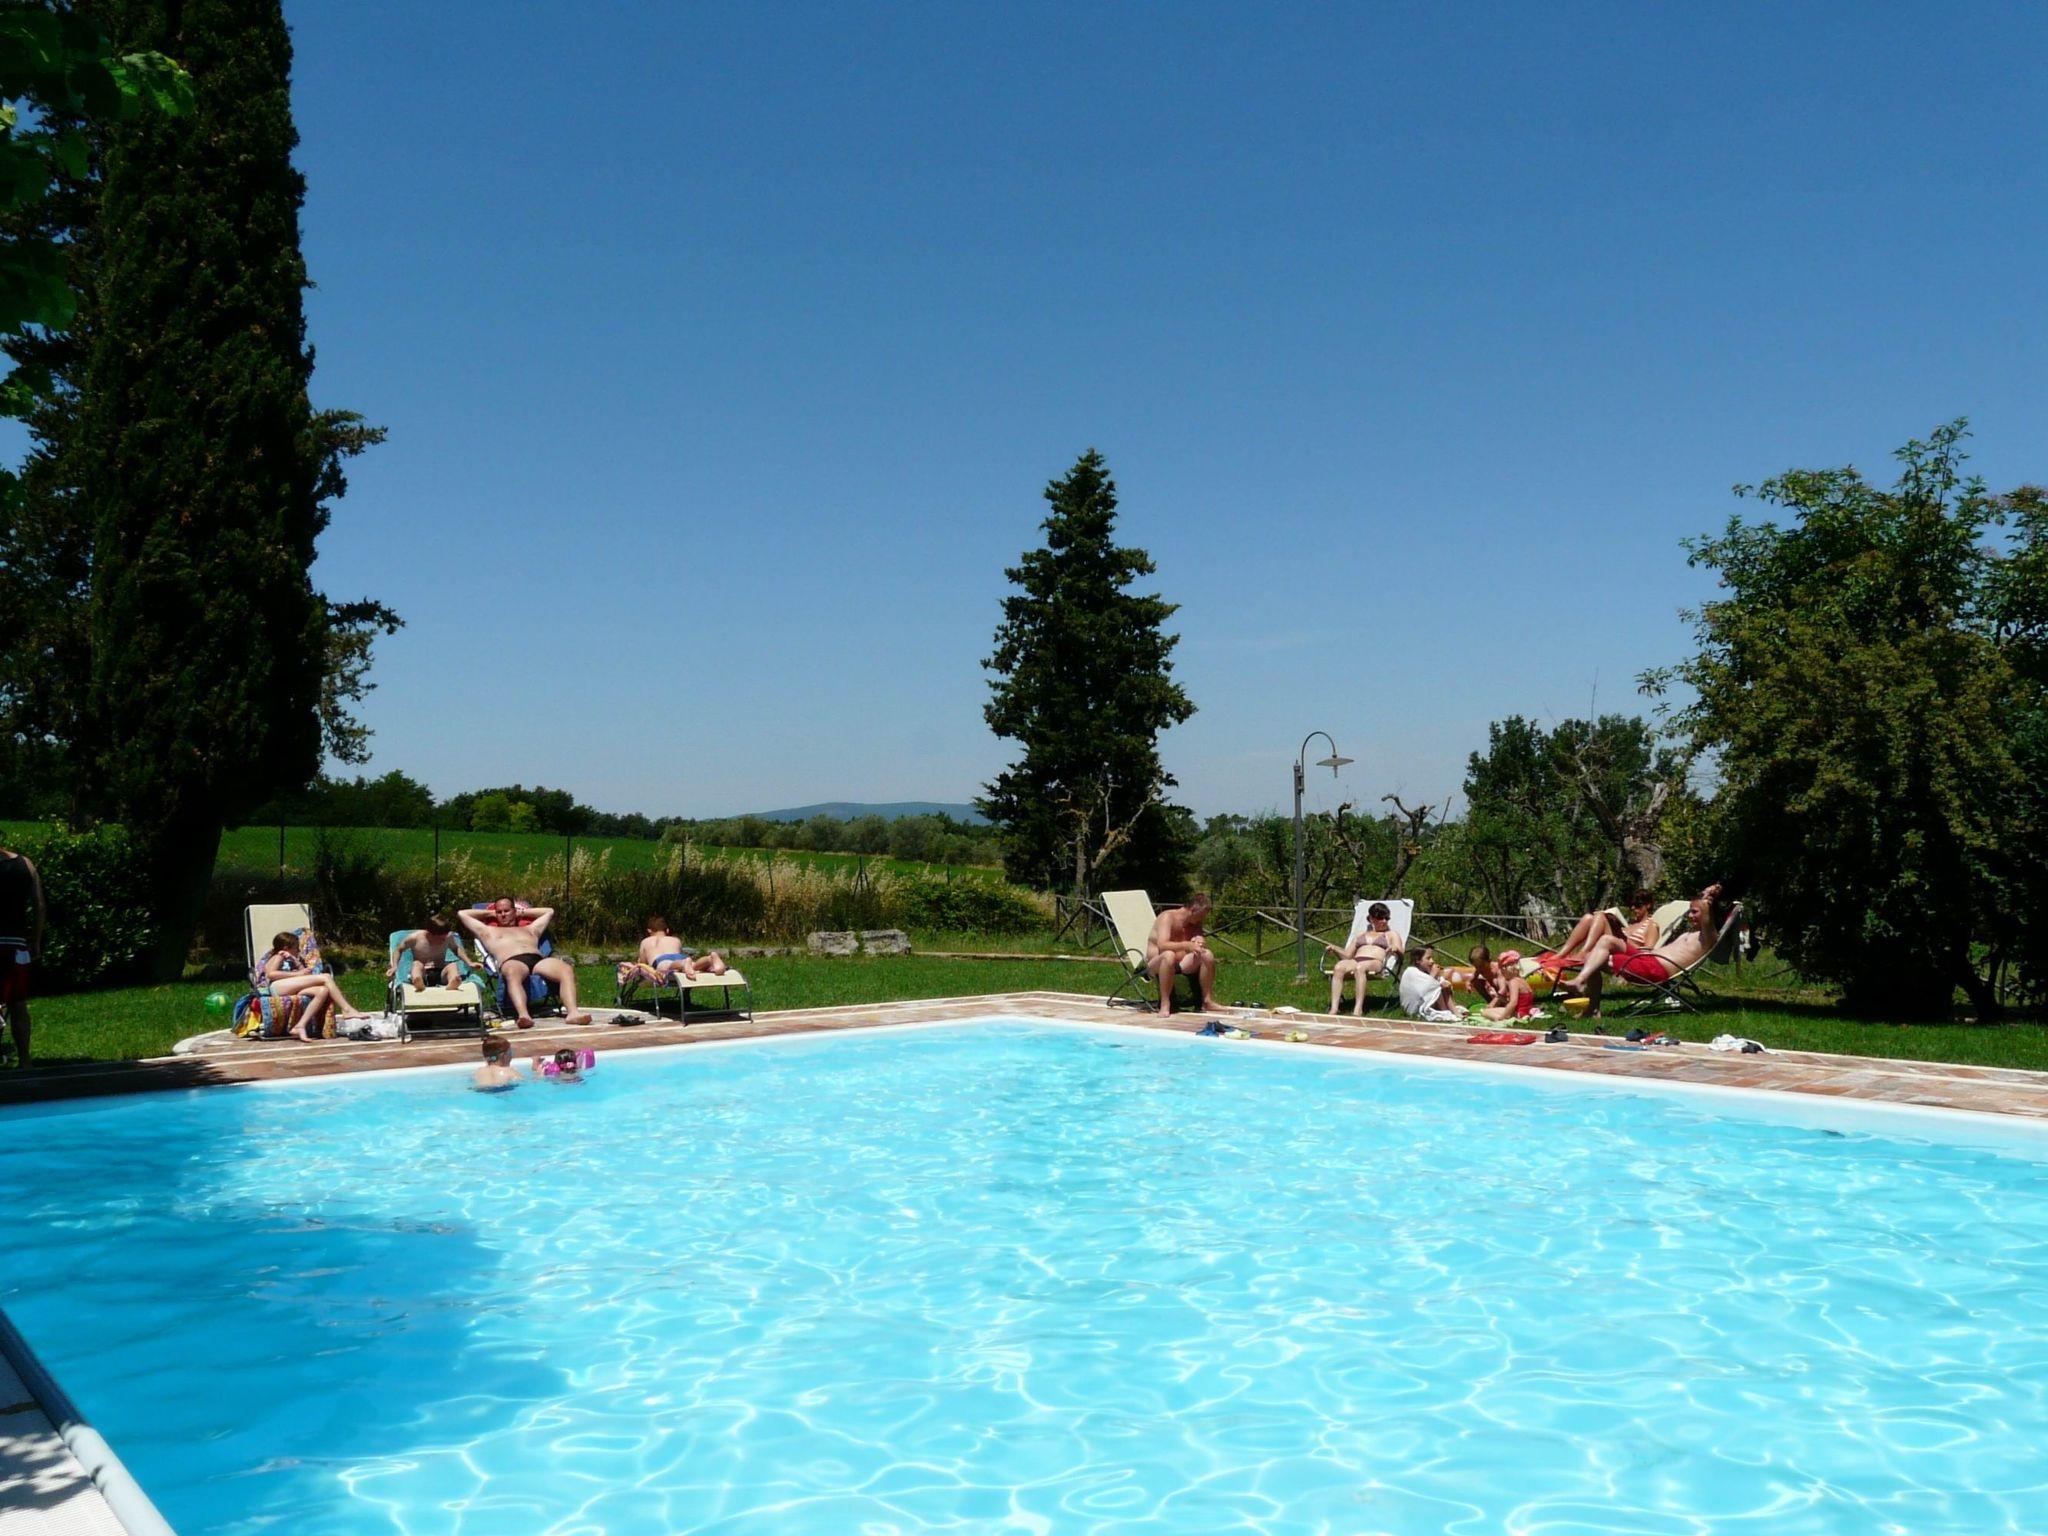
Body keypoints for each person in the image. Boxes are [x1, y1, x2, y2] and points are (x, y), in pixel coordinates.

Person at [1556, 884, 1733, 1013]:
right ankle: (1581, 983)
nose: (1690, 916)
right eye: (1690, 911)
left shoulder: (1709, 937)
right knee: (1606, 940)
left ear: (1707, 913)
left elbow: (1706, 910)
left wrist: (1707, 894)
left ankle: (1591, 1006)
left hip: (1654, 969)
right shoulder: (1691, 933)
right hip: (1646, 958)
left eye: (1695, 912)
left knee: (1593, 959)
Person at [457, 898, 592, 1028]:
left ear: (514, 911)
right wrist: (490, 913)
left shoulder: (531, 929)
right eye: (499, 912)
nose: (503, 914)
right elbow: (462, 914)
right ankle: (524, 1016)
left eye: (506, 911)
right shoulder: (488, 931)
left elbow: (549, 911)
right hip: (512, 961)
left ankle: (573, 1013)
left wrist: (522, 912)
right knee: (512, 972)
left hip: (538, 961)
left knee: (565, 969)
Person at [257, 931, 372, 1040]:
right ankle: (347, 1009)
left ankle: (300, 1026)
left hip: (289, 987)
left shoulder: (289, 959)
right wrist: (297, 974)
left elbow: (304, 973)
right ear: (286, 948)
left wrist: (294, 960)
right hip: (277, 987)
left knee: (322, 991)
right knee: (326, 977)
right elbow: (271, 974)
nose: (298, 950)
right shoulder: (278, 956)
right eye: (296, 948)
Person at [0, 842, 44, 1067]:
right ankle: (25, 1059)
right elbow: (39, 905)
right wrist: (35, 939)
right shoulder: (25, 864)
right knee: (18, 1003)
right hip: (17, 944)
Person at [1146, 893, 1218, 1018]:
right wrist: (1187, 945)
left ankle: (1207, 1001)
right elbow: (1162, 945)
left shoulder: (1194, 922)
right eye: (1201, 915)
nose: (1202, 919)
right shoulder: (1167, 917)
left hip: (1180, 964)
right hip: (1157, 964)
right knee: (1168, 955)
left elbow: (1197, 938)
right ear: (1193, 910)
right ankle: (1165, 1003)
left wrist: (1199, 941)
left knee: (1207, 955)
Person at [1324, 902, 1403, 1017]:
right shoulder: (1360, 935)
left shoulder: (1391, 934)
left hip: (1375, 962)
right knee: (1339, 967)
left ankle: (1358, 1009)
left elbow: (1401, 952)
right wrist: (1335, 949)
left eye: (1387, 918)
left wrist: (1395, 948)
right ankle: (1334, 1008)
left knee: (1360, 967)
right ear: (1371, 919)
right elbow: (1347, 955)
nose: (1384, 921)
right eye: (1380, 918)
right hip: (1356, 960)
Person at [1546, 891, 1661, 968]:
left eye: (1637, 905)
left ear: (1648, 905)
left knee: (1600, 916)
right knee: (1588, 918)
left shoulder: (1651, 925)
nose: (1633, 908)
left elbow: (1647, 954)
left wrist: (1625, 939)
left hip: (1630, 956)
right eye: (1632, 905)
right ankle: (1561, 954)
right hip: (1612, 946)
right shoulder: (1630, 923)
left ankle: (1583, 953)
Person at [616, 914, 729, 991]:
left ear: (649, 931)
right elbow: (677, 954)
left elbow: (643, 963)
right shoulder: (675, 940)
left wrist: (638, 964)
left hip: (662, 960)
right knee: (694, 966)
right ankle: (710, 958)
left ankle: (684, 964)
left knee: (670, 966)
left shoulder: (646, 941)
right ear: (667, 930)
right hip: (680, 957)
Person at [387, 916, 470, 990]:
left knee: (452, 965)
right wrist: (394, 966)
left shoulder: (448, 937)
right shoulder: (415, 938)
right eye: (441, 938)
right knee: (416, 964)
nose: (444, 940)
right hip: (423, 972)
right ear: (429, 934)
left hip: (441, 972)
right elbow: (398, 950)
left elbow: (456, 949)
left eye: (445, 937)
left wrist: (469, 962)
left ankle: (453, 981)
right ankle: (417, 980)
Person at [1397, 950, 1466, 1023]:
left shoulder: (1425, 972)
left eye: (1432, 958)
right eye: (1428, 958)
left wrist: (1442, 982)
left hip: (1427, 1002)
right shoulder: (1411, 972)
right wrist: (1433, 975)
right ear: (1418, 960)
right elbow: (1423, 991)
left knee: (1443, 986)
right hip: (1415, 1008)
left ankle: (1454, 1011)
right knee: (1437, 987)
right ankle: (1445, 1012)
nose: (1432, 961)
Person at [1483, 950, 1538, 1022]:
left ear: (1505, 969)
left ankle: (1500, 1019)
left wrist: (1502, 1017)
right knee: (1494, 1009)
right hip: (1526, 1011)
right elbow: (1522, 1000)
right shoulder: (1521, 980)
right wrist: (1498, 998)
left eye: (1501, 969)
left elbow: (1513, 1002)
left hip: (1518, 1013)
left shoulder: (1513, 982)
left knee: (1485, 1012)